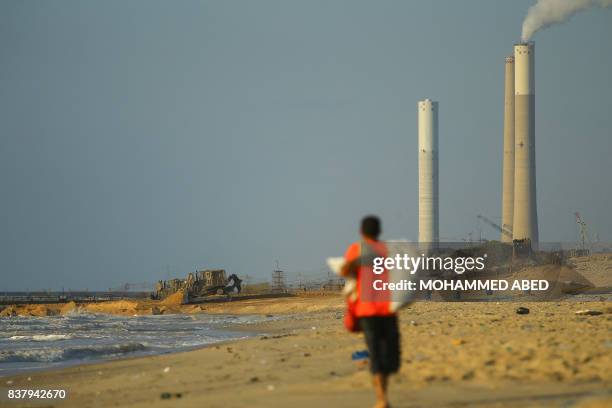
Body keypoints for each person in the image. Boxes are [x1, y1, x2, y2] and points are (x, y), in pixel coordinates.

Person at [341, 215, 400, 408]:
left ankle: (381, 397)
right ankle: (383, 397)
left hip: (366, 311)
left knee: (375, 352)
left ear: (361, 232)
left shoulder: (356, 249)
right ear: (379, 231)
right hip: (388, 310)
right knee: (387, 353)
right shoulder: (389, 250)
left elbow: (345, 272)